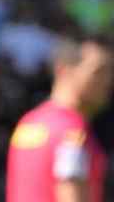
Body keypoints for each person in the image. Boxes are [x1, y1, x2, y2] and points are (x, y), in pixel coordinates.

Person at [6, 35, 113, 202]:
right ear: (63, 70)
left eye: (110, 72)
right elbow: (71, 191)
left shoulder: (29, 122)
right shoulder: (72, 134)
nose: (108, 82)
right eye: (99, 72)